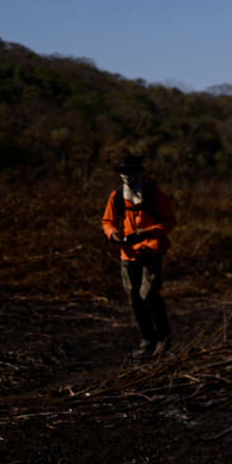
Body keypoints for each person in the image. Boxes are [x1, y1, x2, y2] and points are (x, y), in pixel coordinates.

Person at [101, 153, 177, 359]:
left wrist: (147, 233)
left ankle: (164, 339)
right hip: (128, 254)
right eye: (123, 172)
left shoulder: (154, 193)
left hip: (151, 250)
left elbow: (169, 222)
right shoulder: (117, 195)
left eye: (130, 171)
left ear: (139, 171)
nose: (127, 175)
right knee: (134, 299)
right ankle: (148, 341)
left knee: (149, 295)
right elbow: (107, 221)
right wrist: (112, 234)